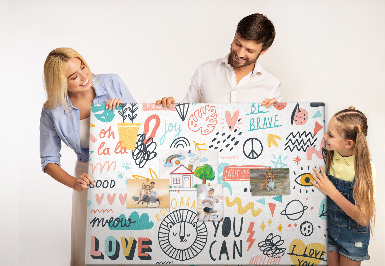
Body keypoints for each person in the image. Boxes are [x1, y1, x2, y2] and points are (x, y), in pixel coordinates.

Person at [40, 47, 136, 266]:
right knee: (91, 244)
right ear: (60, 84)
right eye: (73, 77)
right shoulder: (52, 110)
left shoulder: (112, 83)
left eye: (83, 66)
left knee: (131, 239)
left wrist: (123, 115)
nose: (85, 77)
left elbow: (139, 135)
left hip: (125, 171)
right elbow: (49, 161)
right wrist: (75, 183)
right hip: (87, 179)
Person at [157, 13, 282, 107]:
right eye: (237, 44)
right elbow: (184, 115)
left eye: (249, 51)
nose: (240, 53)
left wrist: (278, 116)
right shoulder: (204, 72)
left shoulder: (271, 85)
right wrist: (168, 108)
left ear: (264, 50)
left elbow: (278, 133)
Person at [309, 106, 376, 266]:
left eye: (330, 135)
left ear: (348, 143)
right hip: (329, 229)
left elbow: (364, 218)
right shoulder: (329, 155)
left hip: (353, 236)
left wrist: (331, 191)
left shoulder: (366, 169)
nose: (324, 137)